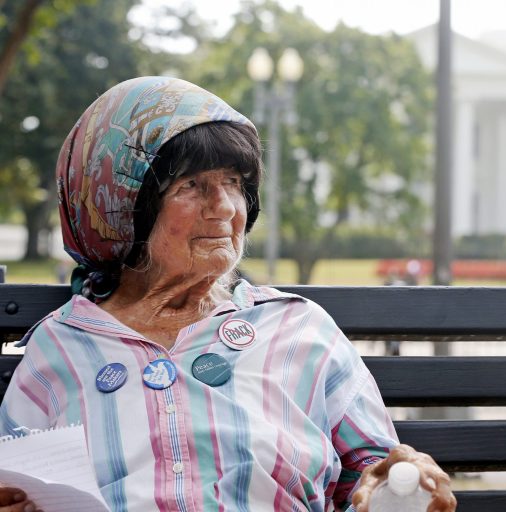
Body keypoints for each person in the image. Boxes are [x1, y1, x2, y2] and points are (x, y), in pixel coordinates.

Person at [0, 77, 455, 512]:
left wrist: (401, 486)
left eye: (234, 183)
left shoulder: (298, 329)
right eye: (192, 185)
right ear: (121, 205)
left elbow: (372, 475)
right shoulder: (60, 346)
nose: (224, 207)